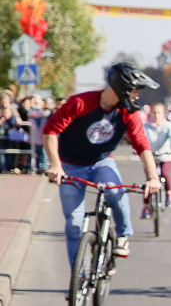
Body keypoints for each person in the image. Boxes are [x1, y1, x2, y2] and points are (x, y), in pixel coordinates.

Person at [42, 62, 162, 265]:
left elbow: (142, 144)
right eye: (135, 91)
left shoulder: (128, 112)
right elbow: (50, 130)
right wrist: (55, 165)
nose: (137, 96)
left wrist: (152, 177)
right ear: (122, 88)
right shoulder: (80, 102)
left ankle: (123, 236)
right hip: (71, 165)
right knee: (74, 225)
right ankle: (80, 280)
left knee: (115, 192)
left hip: (101, 162)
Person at [140, 102, 171, 218]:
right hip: (150, 156)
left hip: (166, 155)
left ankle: (169, 193)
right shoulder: (145, 126)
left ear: (163, 114)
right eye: (154, 112)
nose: (156, 115)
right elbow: (140, 139)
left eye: (159, 112)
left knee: (164, 173)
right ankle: (146, 206)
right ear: (150, 113)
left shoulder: (168, 126)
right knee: (149, 180)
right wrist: (138, 149)